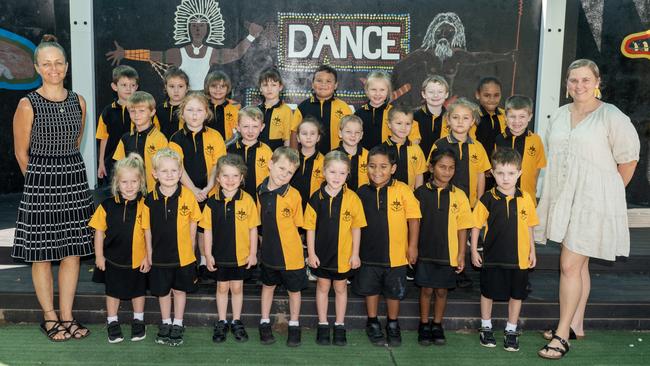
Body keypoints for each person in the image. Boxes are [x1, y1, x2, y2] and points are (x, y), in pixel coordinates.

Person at [537, 59, 640, 360]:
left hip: (595, 204)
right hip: (565, 200)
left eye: (585, 80)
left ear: (597, 81)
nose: (579, 85)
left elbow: (629, 160)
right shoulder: (558, 116)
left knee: (568, 266)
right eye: (573, 80)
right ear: (567, 84)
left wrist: (608, 196)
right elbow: (553, 159)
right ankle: (576, 324)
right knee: (578, 266)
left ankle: (561, 335)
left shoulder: (612, 116)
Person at [12, 34, 93, 341]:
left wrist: (61, 172)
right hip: (40, 181)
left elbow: (75, 143)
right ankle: (49, 317)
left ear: (67, 66)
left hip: (73, 178)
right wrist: (38, 182)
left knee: (72, 253)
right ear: (37, 67)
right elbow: (21, 153)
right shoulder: (27, 103)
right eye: (46, 64)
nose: (53, 69)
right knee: (42, 254)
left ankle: (67, 315)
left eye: (58, 63)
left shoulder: (79, 101)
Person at [104, 0, 263, 90]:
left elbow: (235, 53)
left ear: (208, 29)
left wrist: (251, 35)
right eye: (194, 26)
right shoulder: (178, 53)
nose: (198, 29)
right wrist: (125, 53)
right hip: (181, 98)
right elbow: (151, 55)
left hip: (203, 100)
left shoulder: (212, 53)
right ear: (187, 28)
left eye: (201, 26)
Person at [470, 148, 538, 352]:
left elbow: (529, 227)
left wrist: (532, 251)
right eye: (500, 173)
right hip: (493, 257)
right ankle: (486, 326)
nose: (505, 178)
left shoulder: (526, 198)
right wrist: (474, 250)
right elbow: (475, 226)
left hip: (519, 259)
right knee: (487, 292)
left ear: (519, 173)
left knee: (516, 295)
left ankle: (511, 329)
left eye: (510, 173)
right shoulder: (487, 199)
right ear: (492, 172)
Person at [353, 145, 421, 347]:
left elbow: (414, 219)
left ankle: (392, 323)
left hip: (397, 255)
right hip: (368, 254)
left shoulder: (403, 190)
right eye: (372, 166)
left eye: (383, 166)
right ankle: (372, 322)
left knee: (394, 291)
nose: (377, 171)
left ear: (393, 168)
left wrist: (413, 246)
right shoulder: (361, 192)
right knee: (371, 289)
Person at [304, 151, 367, 346]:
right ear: (324, 172)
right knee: (322, 286)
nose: (336, 177)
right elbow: (310, 228)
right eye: (332, 172)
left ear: (348, 174)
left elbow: (356, 228)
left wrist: (355, 254)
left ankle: (339, 324)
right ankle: (323, 324)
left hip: (344, 255)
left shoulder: (353, 198)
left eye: (342, 173)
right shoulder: (316, 197)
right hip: (321, 254)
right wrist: (311, 253)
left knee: (340, 287)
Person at [142, 148, 203, 346]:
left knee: (179, 290)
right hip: (159, 257)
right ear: (155, 174)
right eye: (164, 171)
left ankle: (178, 322)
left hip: (183, 256)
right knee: (162, 291)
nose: (169, 175)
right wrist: (149, 254)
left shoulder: (188, 196)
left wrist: (192, 248)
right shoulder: (150, 199)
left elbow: (194, 222)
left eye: (174, 171)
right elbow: (147, 229)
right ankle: (166, 322)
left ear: (180, 172)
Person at [414, 148, 474, 346]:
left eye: (451, 168)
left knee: (441, 291)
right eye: (442, 167)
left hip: (448, 253)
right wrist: (412, 248)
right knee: (426, 290)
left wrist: (461, 254)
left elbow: (463, 227)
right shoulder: (420, 193)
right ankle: (424, 325)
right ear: (431, 167)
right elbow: (413, 224)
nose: (447, 171)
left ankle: (437, 324)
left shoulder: (460, 196)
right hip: (425, 252)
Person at [89, 153, 150, 343]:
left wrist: (148, 256)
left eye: (134, 181)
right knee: (112, 291)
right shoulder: (107, 205)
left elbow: (149, 234)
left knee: (138, 291)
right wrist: (99, 256)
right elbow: (98, 231)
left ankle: (138, 320)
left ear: (141, 182)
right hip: (112, 259)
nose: (129, 186)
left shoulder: (146, 205)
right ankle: (112, 321)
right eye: (125, 182)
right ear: (116, 182)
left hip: (138, 259)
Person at [200, 154, 260, 344]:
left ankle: (236, 320)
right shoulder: (211, 202)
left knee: (236, 287)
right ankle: (221, 321)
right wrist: (207, 255)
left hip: (241, 255)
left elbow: (253, 229)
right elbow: (207, 230)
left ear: (241, 178)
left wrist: (252, 253)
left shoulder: (247, 200)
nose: (230, 180)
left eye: (235, 176)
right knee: (222, 287)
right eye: (225, 176)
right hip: (219, 255)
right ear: (218, 178)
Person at [169, 91, 227, 281]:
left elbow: (217, 165)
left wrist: (208, 188)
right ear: (182, 113)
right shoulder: (175, 139)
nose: (194, 114)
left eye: (199, 110)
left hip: (210, 191)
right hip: (187, 192)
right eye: (190, 110)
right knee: (188, 229)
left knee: (205, 228)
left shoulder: (215, 136)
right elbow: (178, 167)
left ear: (206, 113)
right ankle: (188, 265)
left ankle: (204, 263)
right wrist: (193, 190)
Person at [257, 147, 306, 347]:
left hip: (292, 255)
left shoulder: (294, 196)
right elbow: (259, 223)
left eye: (289, 172)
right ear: (270, 164)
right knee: (268, 287)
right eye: (281, 168)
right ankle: (264, 321)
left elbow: (298, 226)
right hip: (269, 252)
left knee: (294, 290)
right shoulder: (260, 191)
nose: (284, 174)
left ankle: (294, 324)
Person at [112, 91, 168, 192]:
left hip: (153, 193)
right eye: (133, 111)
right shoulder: (125, 139)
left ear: (152, 112)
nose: (137, 115)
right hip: (132, 193)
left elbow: (165, 168)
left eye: (142, 111)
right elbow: (119, 168)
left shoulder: (160, 139)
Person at [290, 65, 352, 153]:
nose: (323, 84)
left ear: (335, 85)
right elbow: (294, 132)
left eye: (328, 81)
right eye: (319, 80)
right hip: (309, 159)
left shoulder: (344, 108)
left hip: (336, 159)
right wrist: (293, 156)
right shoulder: (303, 107)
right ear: (312, 84)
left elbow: (352, 132)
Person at [494, 95, 546, 199]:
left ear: (530, 117)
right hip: (502, 196)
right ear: (505, 116)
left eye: (522, 116)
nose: (517, 121)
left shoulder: (536, 140)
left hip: (527, 195)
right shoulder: (499, 139)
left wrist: (533, 187)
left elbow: (538, 167)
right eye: (512, 116)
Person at [355, 71, 420, 150]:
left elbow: (414, 134)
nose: (377, 94)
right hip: (364, 159)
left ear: (388, 92)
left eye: (382, 90)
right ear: (367, 91)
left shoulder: (395, 112)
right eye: (373, 89)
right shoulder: (358, 114)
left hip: (389, 159)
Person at [96, 65, 139, 185]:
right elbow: (103, 138)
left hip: (136, 162)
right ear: (115, 87)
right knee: (114, 196)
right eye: (124, 85)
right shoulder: (107, 112)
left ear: (137, 87)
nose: (128, 88)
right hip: (112, 163)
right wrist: (101, 163)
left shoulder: (142, 110)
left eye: (132, 85)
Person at [227, 106, 273, 198]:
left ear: (262, 127)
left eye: (255, 126)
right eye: (246, 126)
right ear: (238, 127)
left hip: (259, 200)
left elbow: (271, 177)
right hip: (235, 199)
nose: (250, 131)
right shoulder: (230, 150)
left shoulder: (267, 151)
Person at [381, 105, 427, 190]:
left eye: (408, 124)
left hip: (411, 197)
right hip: (388, 196)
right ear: (389, 124)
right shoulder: (381, 150)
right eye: (399, 123)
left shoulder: (416, 149)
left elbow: (419, 175)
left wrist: (419, 195)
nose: (403, 128)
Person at [475, 77, 506, 190]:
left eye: (496, 95)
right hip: (478, 171)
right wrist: (485, 166)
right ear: (478, 95)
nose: (492, 99)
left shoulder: (505, 116)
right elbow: (472, 145)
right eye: (487, 95)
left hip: (501, 171)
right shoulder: (473, 117)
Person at [291, 118, 325, 209]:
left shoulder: (324, 162)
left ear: (318, 137)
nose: (308, 137)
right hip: (292, 207)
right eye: (304, 133)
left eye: (312, 134)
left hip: (314, 208)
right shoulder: (291, 159)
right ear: (298, 138)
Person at [413, 75, 451, 158]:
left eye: (440, 92)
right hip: (419, 165)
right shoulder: (414, 117)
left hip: (443, 165)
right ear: (423, 94)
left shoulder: (451, 118)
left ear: (446, 94)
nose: (435, 95)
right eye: (431, 92)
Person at [257, 67, 292, 150]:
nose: (269, 89)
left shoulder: (286, 110)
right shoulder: (256, 111)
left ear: (280, 87)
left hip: (278, 153)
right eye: (265, 85)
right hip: (258, 154)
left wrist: (285, 158)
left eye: (273, 85)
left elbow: (287, 138)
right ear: (260, 88)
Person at [333, 115, 369, 190]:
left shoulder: (369, 156)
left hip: (363, 199)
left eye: (357, 132)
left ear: (361, 135)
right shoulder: (333, 155)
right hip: (340, 198)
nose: (353, 135)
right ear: (340, 133)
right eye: (348, 132)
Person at [204, 70, 241, 140]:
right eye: (214, 86)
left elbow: (238, 133)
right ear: (208, 88)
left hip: (228, 147)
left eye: (222, 86)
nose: (218, 90)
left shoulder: (235, 108)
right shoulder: (202, 107)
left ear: (227, 88)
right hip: (206, 147)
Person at [155, 67, 189, 139]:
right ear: (165, 87)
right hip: (163, 148)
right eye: (172, 86)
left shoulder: (190, 109)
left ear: (187, 88)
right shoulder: (159, 110)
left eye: (180, 86)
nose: (176, 90)